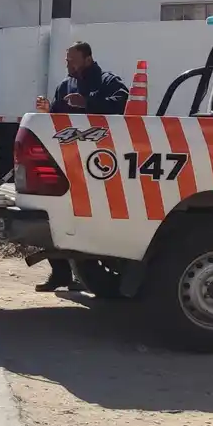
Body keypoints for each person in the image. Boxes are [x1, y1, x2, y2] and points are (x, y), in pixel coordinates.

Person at [33, 42, 128, 292]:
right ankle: (60, 273)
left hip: (101, 162)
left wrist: (87, 101)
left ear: (88, 59)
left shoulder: (108, 81)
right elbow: (58, 116)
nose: (68, 65)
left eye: (72, 60)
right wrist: (48, 110)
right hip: (68, 159)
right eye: (66, 60)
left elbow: (122, 103)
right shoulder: (65, 85)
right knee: (53, 213)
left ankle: (97, 270)